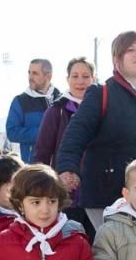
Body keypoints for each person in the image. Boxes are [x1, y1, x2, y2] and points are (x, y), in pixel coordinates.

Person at [56, 32, 136, 233]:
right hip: (107, 195)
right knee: (116, 256)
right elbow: (75, 134)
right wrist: (67, 168)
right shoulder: (101, 93)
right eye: (131, 50)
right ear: (116, 58)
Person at [33, 57, 96, 237]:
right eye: (75, 76)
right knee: (69, 244)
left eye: (85, 76)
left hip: (98, 193)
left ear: (94, 79)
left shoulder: (104, 109)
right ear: (67, 79)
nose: (80, 81)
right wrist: (43, 187)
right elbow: (42, 152)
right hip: (67, 196)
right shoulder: (56, 111)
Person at [6, 59, 60, 162]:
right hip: (34, 167)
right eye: (29, 73)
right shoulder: (20, 101)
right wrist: (44, 132)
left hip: (60, 165)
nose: (30, 77)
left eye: (35, 73)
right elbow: (11, 132)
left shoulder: (62, 99)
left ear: (48, 76)